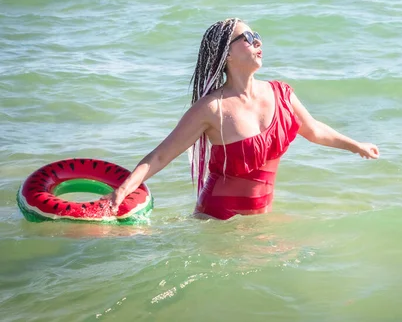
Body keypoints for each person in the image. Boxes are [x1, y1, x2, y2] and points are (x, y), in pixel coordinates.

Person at [106, 18, 379, 220]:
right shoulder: (212, 108)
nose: (257, 42)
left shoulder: (281, 93)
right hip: (217, 220)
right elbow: (160, 156)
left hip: (259, 219)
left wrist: (356, 145)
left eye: (256, 35)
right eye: (247, 38)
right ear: (226, 54)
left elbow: (315, 130)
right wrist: (124, 189)